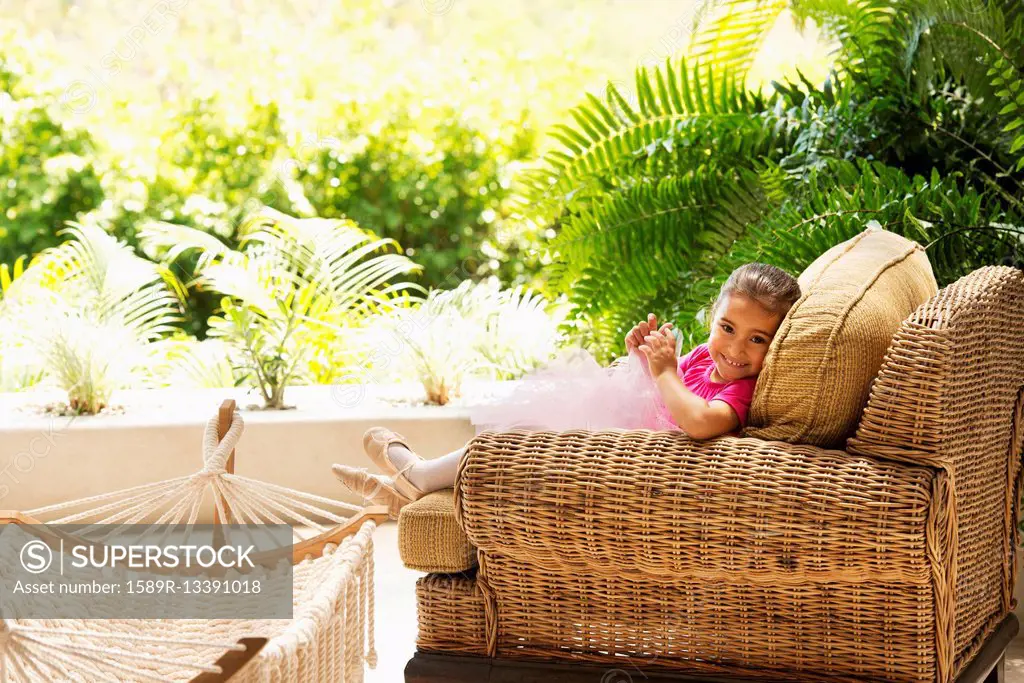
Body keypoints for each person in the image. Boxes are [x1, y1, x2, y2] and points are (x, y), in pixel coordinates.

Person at [332, 262, 801, 517]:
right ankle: (417, 485)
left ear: (775, 345)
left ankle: (418, 474)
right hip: (621, 437)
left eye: (757, 339)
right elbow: (656, 392)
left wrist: (663, 374)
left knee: (532, 433)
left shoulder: (742, 393)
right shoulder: (701, 357)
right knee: (525, 428)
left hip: (634, 463)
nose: (737, 348)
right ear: (711, 316)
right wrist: (643, 358)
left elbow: (698, 420)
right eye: (727, 327)